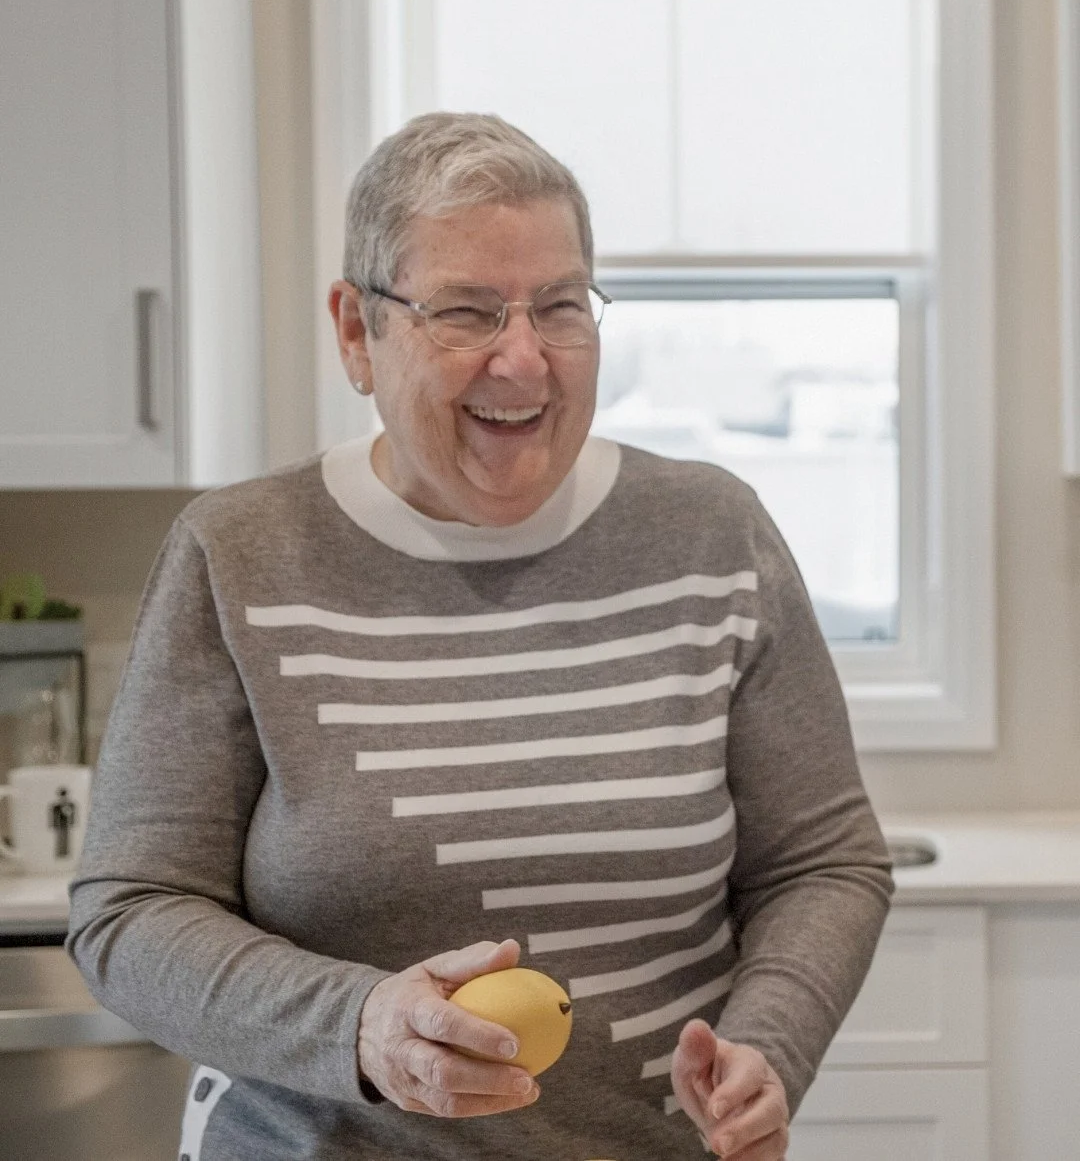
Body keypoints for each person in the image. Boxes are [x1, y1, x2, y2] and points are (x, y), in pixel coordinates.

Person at [68, 111, 893, 1161]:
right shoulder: (237, 554)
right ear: (357, 333)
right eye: (466, 312)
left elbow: (822, 863)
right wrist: (361, 1026)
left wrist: (768, 1045)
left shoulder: (711, 534)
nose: (523, 361)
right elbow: (129, 912)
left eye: (560, 307)